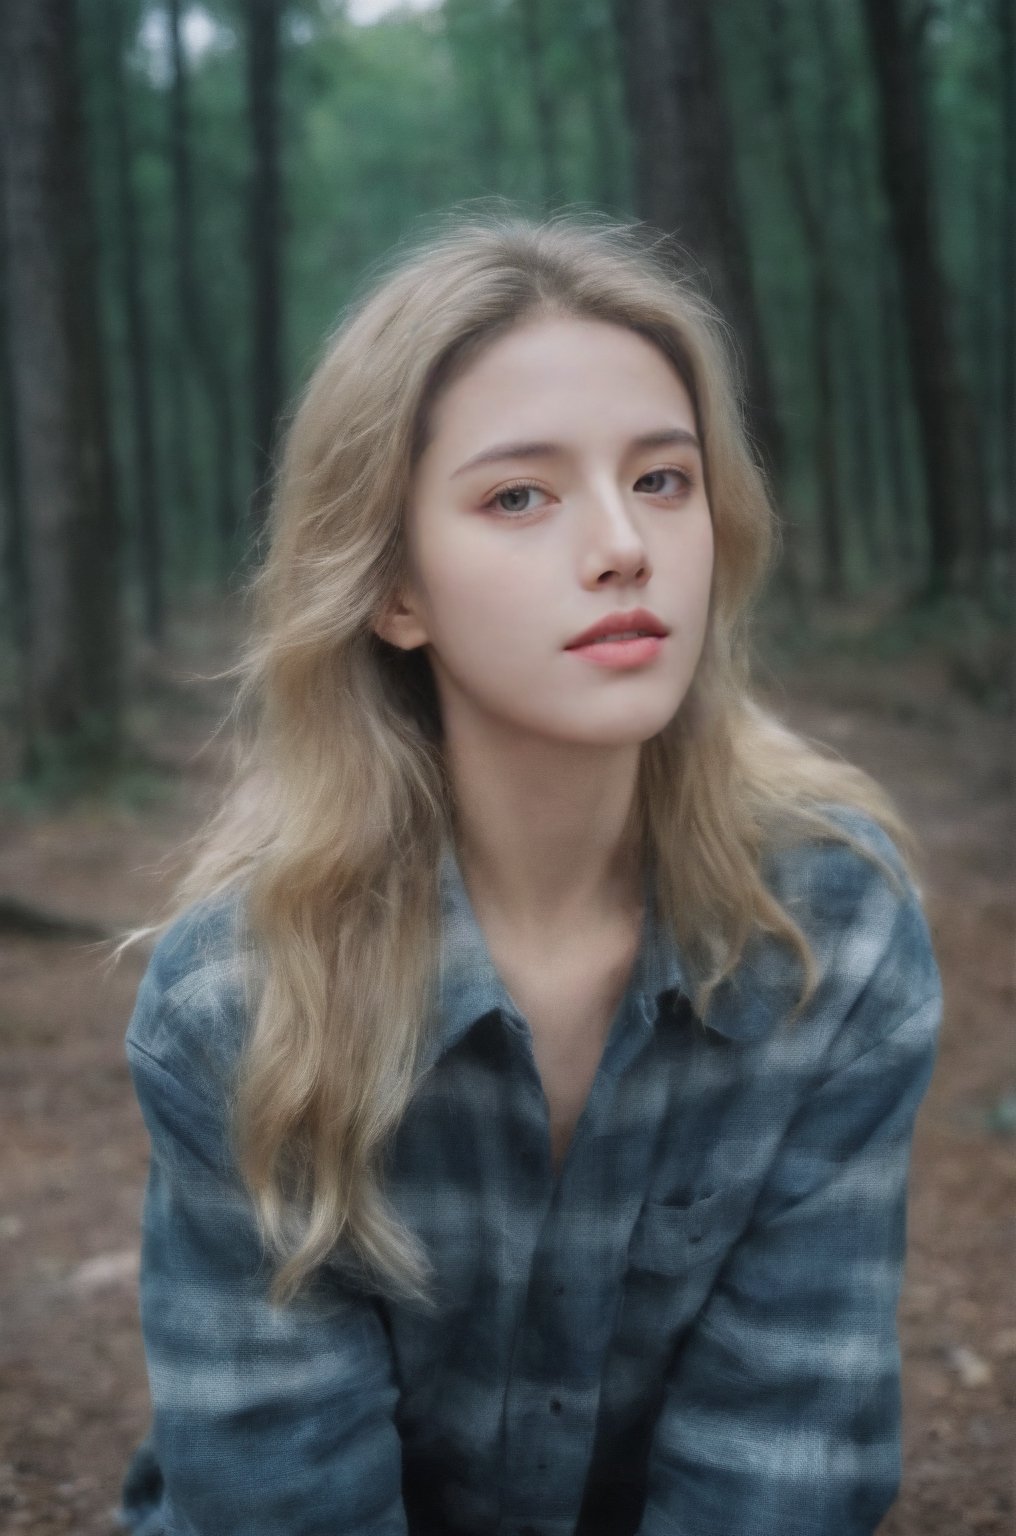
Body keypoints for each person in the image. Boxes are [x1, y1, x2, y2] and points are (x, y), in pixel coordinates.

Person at [115, 207, 943, 1536]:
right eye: (521, 496)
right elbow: (280, 1495)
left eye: (663, 480)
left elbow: (780, 1455)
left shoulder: (831, 934)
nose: (624, 544)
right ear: (395, 591)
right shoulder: (240, 997)